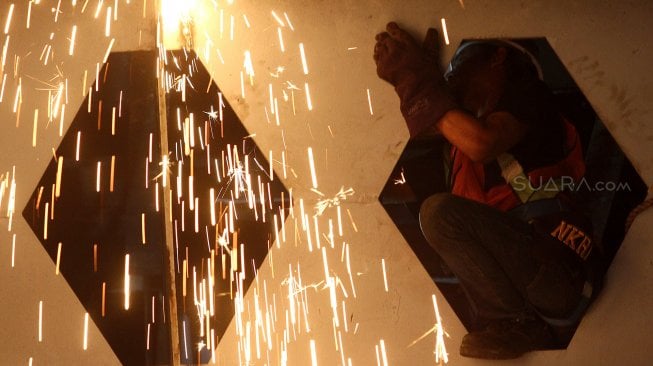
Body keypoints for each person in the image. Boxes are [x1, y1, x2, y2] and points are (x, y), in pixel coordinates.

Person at [373, 22, 603, 359]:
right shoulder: (456, 142)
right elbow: (428, 127)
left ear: (497, 57)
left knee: (439, 214)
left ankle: (514, 322)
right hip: (521, 273)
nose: (452, 75)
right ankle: (514, 321)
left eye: (461, 62)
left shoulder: (529, 97)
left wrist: (416, 81)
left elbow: (482, 142)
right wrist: (418, 79)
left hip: (554, 268)